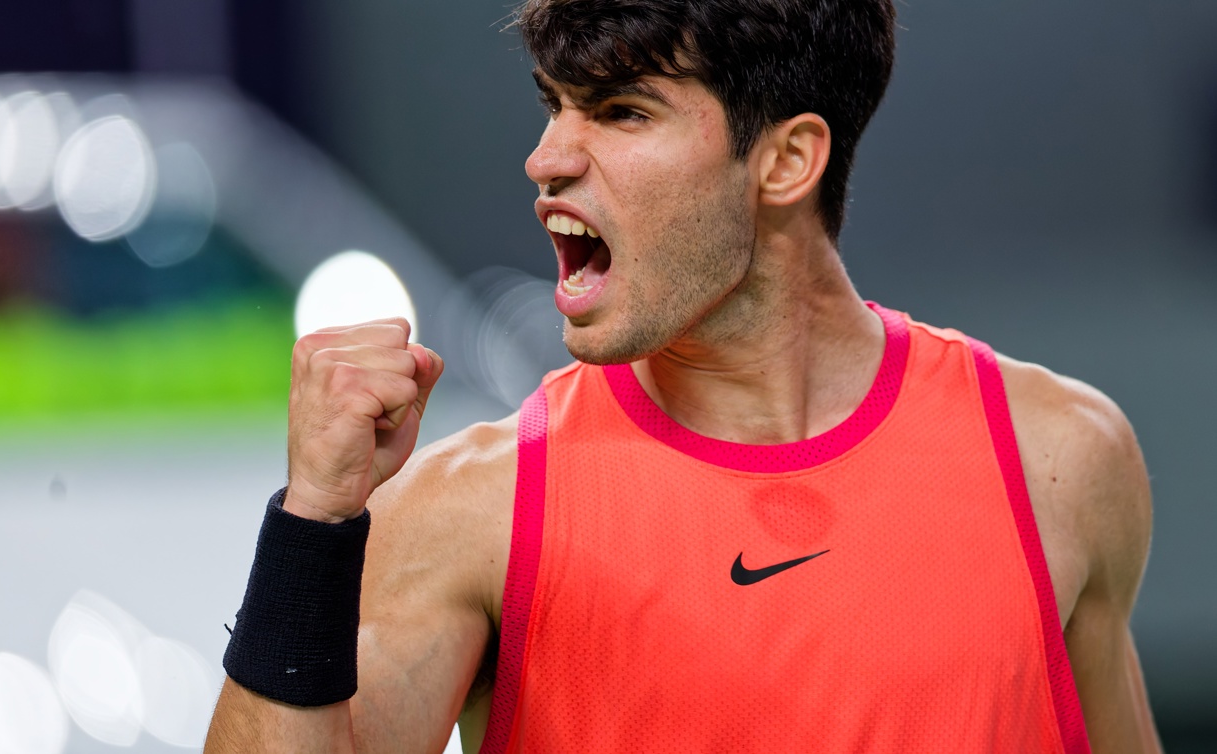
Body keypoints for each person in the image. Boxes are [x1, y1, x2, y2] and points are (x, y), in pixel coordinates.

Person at [205, 0, 1163, 751]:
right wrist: (313, 527)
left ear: (787, 160)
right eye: (555, 104)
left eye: (622, 111)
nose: (546, 158)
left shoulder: (1057, 462)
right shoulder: (477, 512)